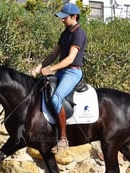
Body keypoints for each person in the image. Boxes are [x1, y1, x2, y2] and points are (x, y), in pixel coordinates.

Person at [31, 3, 87, 155]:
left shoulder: (79, 34)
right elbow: (54, 54)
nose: (62, 20)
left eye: (64, 18)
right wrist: (39, 67)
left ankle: (63, 138)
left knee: (56, 99)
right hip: (61, 71)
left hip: (72, 73)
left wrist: (51, 69)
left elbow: (70, 59)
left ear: (74, 17)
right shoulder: (65, 33)